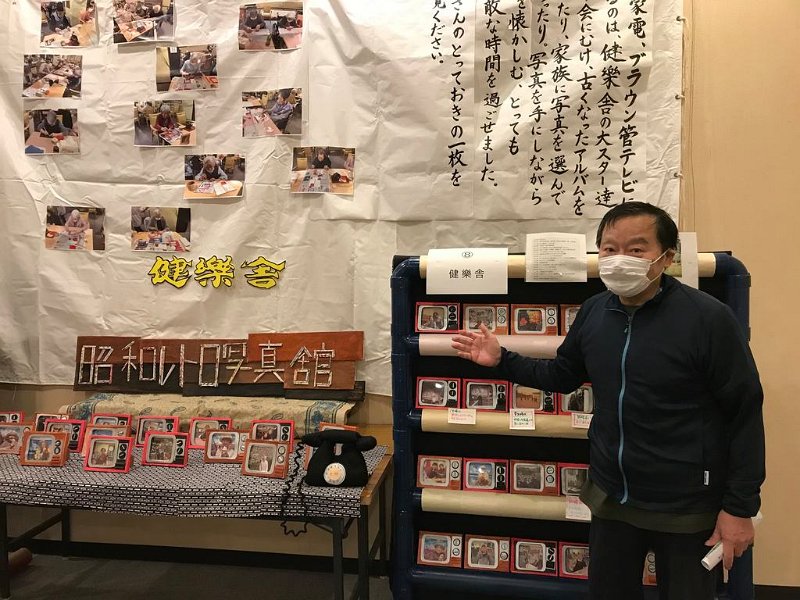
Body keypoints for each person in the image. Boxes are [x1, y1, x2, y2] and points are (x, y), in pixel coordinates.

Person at [451, 202, 765, 599]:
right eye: (609, 249)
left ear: (666, 257)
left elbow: (744, 413)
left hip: (686, 506)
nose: (620, 259)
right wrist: (502, 360)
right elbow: (562, 375)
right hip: (611, 498)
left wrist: (739, 507)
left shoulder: (708, 319)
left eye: (636, 249)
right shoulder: (595, 312)